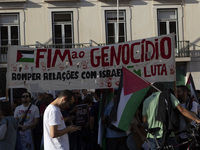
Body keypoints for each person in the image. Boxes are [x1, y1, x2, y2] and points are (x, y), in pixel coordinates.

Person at [142, 83, 200, 150]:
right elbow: (182, 110)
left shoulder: (146, 101)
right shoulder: (167, 96)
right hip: (166, 133)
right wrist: (197, 120)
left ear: (151, 90)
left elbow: (144, 120)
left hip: (153, 136)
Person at [176, 85, 199, 149]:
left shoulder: (193, 104)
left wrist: (181, 110)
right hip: (179, 136)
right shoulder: (176, 105)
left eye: (179, 91)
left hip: (191, 136)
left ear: (185, 92)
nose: (177, 94)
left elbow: (190, 119)